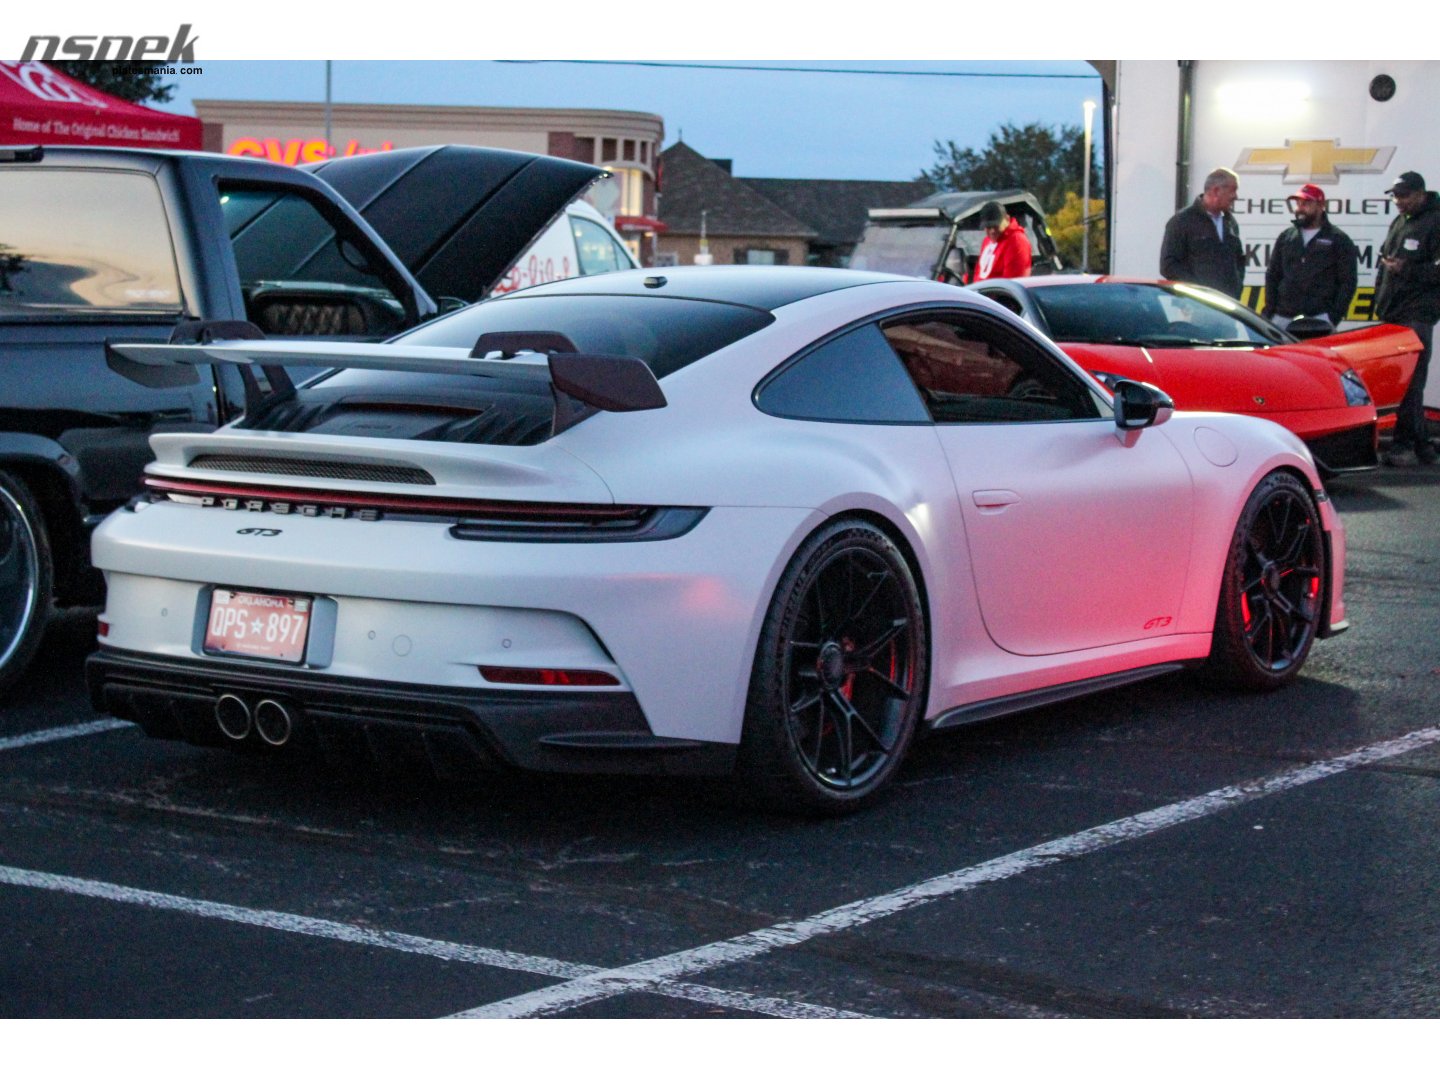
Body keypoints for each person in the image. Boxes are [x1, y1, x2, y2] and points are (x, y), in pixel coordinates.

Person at [1376, 171, 1440, 466]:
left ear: (1420, 194)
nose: (1398, 201)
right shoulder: (1400, 221)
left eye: (1403, 196)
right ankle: (1422, 446)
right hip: (1394, 311)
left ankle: (1404, 445)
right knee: (1400, 380)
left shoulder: (1436, 221)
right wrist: (1380, 302)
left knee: (1411, 381)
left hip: (1418, 313)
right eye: (1395, 196)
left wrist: (1407, 270)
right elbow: (1386, 263)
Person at [1262, 183, 1358, 330]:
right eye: (1298, 204)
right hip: (1282, 316)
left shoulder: (1338, 239)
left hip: (1319, 317)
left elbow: (1348, 281)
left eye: (1306, 203)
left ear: (1321, 206)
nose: (1300, 208)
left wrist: (1333, 317)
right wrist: (1270, 312)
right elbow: (1272, 275)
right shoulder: (1287, 237)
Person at [1159, 167, 1246, 298]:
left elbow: (1239, 260)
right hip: (1194, 304)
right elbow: (1169, 265)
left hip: (1227, 304)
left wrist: (1236, 287)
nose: (1236, 196)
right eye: (1232, 190)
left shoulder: (1230, 222)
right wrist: (1199, 290)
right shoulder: (1182, 221)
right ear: (1216, 191)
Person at [971, 201, 1032, 282]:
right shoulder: (987, 241)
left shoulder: (1016, 241)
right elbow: (978, 273)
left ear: (1007, 219)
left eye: (996, 226)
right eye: (988, 227)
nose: (992, 231)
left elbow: (1012, 282)